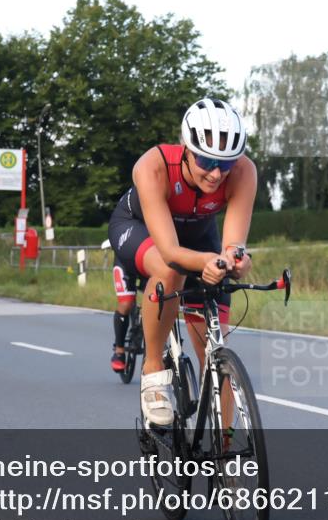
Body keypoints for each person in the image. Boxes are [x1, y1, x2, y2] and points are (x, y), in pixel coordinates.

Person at [108, 99, 257, 426]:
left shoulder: (244, 171)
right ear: (186, 150)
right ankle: (152, 372)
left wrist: (236, 259)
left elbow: (233, 245)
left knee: (216, 352)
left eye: (226, 163)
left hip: (199, 239)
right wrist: (210, 259)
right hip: (140, 230)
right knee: (168, 268)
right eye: (206, 160)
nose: (217, 173)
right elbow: (172, 252)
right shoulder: (154, 165)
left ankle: (226, 457)